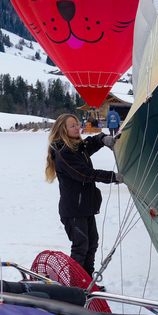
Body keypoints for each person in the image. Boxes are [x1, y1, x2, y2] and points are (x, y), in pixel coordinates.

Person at [46, 114, 121, 276]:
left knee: (92, 245)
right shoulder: (64, 153)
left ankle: (87, 283)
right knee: (81, 247)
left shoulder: (78, 147)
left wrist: (103, 139)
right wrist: (112, 177)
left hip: (86, 207)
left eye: (77, 124)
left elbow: (91, 142)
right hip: (73, 210)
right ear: (63, 130)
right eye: (72, 125)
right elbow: (84, 174)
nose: (77, 128)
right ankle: (76, 286)